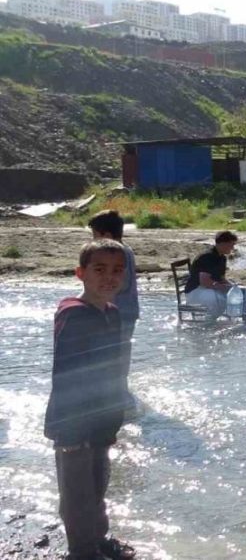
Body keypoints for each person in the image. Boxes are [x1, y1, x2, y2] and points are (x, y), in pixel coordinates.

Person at [44, 240, 136, 560]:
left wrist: (115, 412)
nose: (109, 277)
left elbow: (114, 368)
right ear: (81, 273)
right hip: (72, 420)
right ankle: (82, 550)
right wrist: (69, 427)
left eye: (117, 271)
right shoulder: (73, 313)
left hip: (102, 415)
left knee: (98, 481)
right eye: (99, 270)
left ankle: (98, 537)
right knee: (76, 490)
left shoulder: (113, 313)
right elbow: (66, 372)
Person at [88, 210, 139, 409]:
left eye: (94, 236)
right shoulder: (125, 250)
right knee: (117, 354)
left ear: (106, 236)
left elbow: (116, 286)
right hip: (125, 311)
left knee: (113, 355)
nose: (92, 241)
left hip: (118, 312)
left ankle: (119, 399)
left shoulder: (117, 254)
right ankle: (120, 395)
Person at [183, 231, 246, 322]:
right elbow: (204, 281)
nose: (233, 248)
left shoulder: (222, 258)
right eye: (231, 244)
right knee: (216, 298)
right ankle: (209, 323)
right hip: (196, 291)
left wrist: (232, 287)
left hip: (212, 289)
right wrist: (222, 288)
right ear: (222, 243)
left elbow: (221, 278)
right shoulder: (207, 257)